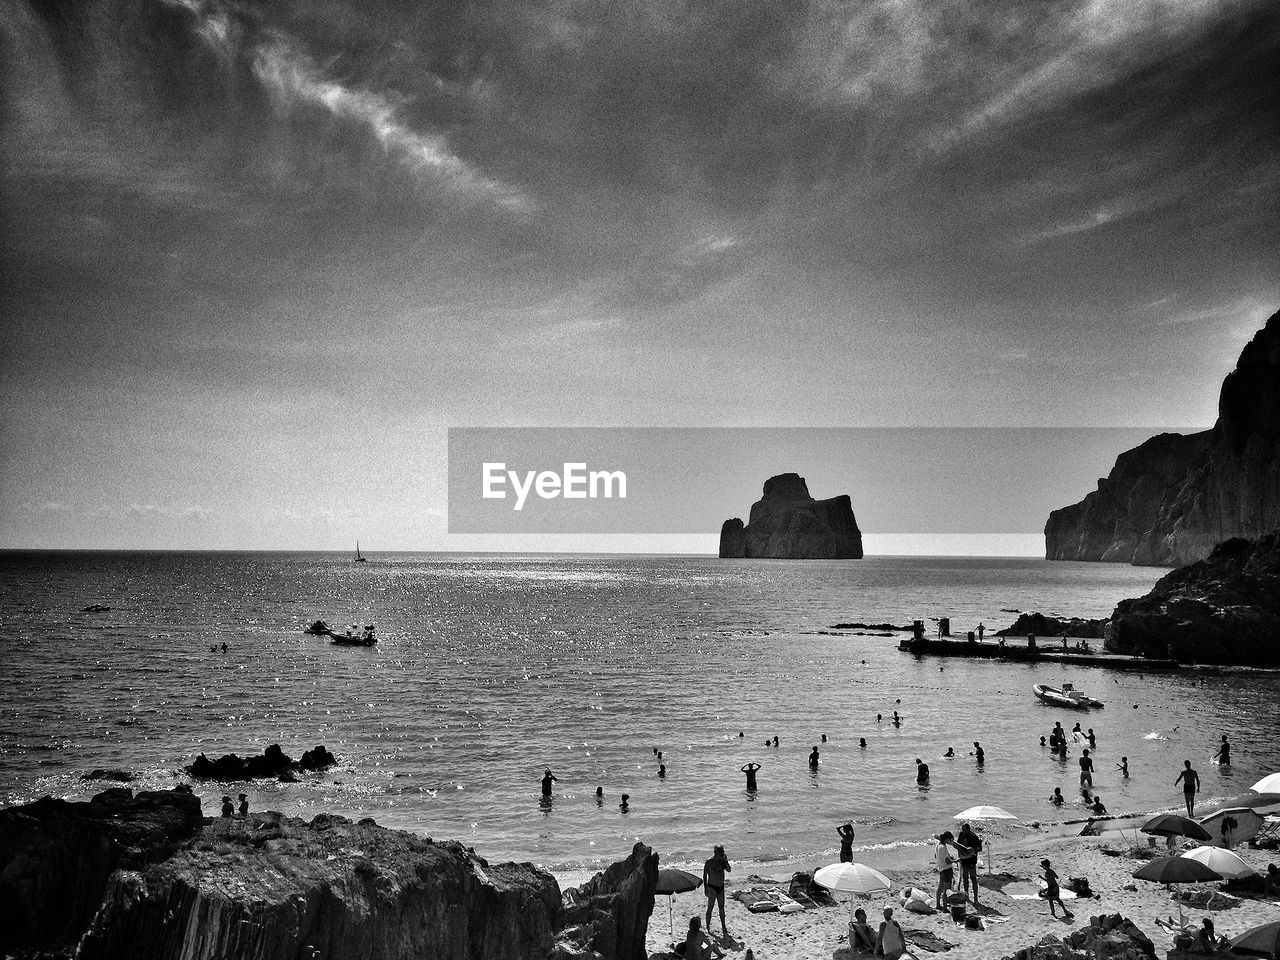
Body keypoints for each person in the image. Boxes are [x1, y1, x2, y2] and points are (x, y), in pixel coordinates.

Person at [703, 845, 731, 936]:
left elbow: (729, 870)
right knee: (710, 907)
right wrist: (705, 888)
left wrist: (725, 861)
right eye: (720, 853)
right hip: (712, 887)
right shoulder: (709, 861)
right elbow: (704, 875)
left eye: (723, 853)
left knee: (721, 907)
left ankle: (723, 926)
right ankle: (707, 925)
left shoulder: (722, 861)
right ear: (715, 853)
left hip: (721, 887)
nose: (722, 855)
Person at [955, 822, 981, 907]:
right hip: (964, 860)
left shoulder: (974, 837)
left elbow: (980, 848)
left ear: (969, 830)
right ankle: (967, 896)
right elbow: (958, 845)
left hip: (972, 860)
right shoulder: (961, 835)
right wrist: (960, 855)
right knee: (965, 878)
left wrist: (973, 849)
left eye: (965, 830)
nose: (963, 831)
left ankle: (976, 899)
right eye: (963, 830)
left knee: (973, 879)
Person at [933, 831, 955, 909]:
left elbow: (936, 856)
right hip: (946, 869)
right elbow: (947, 861)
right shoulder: (943, 847)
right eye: (950, 840)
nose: (951, 842)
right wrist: (955, 861)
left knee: (940, 887)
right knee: (946, 889)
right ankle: (945, 907)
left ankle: (938, 904)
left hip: (941, 868)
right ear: (947, 839)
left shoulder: (938, 845)